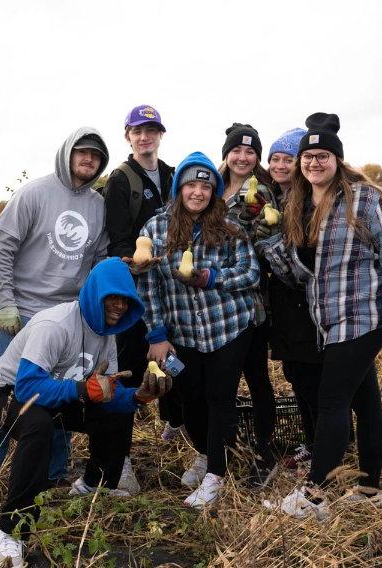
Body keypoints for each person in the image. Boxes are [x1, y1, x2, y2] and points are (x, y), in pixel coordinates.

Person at [257, 113, 382, 519]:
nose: (314, 164)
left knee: (332, 402)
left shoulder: (367, 199)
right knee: (368, 402)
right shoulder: (300, 204)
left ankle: (316, 494)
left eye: (322, 156)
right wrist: (276, 245)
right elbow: (297, 272)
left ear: (337, 160)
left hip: (362, 318)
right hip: (326, 321)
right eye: (308, 157)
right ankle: (369, 489)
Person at [0, 258, 171, 566]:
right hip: (3, 393)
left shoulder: (108, 334)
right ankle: (9, 531)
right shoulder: (55, 324)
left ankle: (93, 484)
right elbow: (28, 387)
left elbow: (106, 394)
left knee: (116, 413)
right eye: (112, 297)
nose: (120, 306)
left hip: (52, 394)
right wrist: (84, 390)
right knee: (38, 425)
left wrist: (139, 396)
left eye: (126, 299)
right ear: (95, 293)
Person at [0, 127, 111, 484]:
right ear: (67, 153)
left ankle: (53, 473)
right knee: (4, 393)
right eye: (82, 152)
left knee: (64, 394)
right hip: (23, 315)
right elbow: (1, 251)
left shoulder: (98, 206)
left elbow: (98, 260)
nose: (88, 159)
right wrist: (6, 303)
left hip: (68, 319)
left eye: (95, 155)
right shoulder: (34, 193)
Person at [139, 152, 260, 508]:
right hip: (183, 331)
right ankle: (207, 454)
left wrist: (211, 278)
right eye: (190, 184)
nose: (198, 192)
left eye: (205, 186)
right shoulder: (156, 229)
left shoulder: (229, 227)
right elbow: (150, 287)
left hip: (228, 326)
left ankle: (215, 477)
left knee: (220, 397)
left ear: (214, 191)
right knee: (189, 397)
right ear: (179, 189)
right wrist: (157, 334)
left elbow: (250, 273)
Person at [103, 104, 181, 493]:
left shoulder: (172, 175)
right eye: (138, 130)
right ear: (128, 136)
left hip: (175, 290)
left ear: (160, 134)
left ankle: (180, 428)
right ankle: (122, 462)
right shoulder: (121, 180)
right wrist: (133, 260)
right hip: (135, 292)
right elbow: (115, 238)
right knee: (130, 370)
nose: (145, 136)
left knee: (172, 365)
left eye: (151, 129)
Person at [219, 123, 279, 487]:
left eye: (250, 152)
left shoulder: (262, 193)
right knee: (221, 382)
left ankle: (264, 452)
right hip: (212, 302)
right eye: (237, 150)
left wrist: (260, 225)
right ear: (226, 153)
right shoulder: (209, 185)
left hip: (250, 300)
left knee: (256, 378)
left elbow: (269, 242)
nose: (243, 157)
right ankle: (219, 453)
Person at [265, 128, 321, 467]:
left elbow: (298, 264)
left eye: (288, 159)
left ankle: (324, 444)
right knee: (295, 373)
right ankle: (311, 440)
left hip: (305, 301)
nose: (280, 165)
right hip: (284, 302)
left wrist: (269, 243)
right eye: (275, 158)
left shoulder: (306, 202)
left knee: (312, 375)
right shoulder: (273, 197)